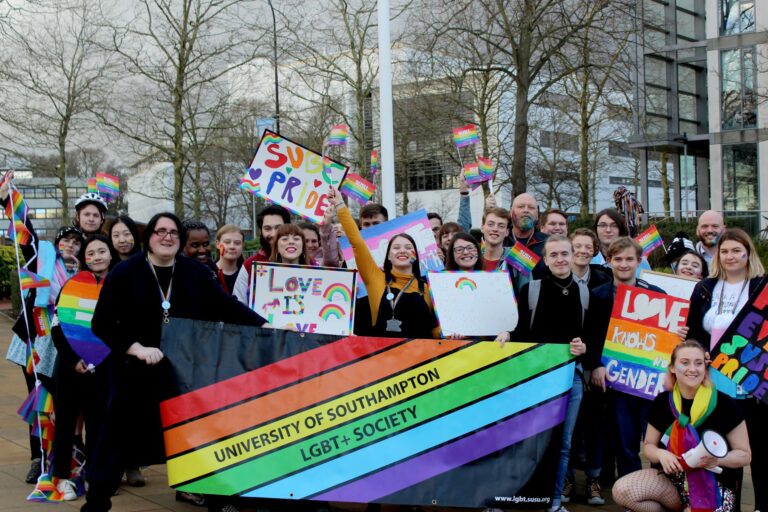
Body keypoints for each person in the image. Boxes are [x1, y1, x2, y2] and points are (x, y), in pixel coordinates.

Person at [81, 213, 268, 512]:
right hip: (134, 372)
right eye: (160, 231)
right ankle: (96, 503)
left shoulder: (194, 272)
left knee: (200, 438)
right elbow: (101, 323)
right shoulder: (125, 273)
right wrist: (135, 348)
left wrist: (265, 325)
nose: (167, 237)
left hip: (182, 372)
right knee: (116, 438)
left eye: (173, 232)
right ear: (149, 238)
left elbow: (226, 307)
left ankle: (218, 502)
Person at [495, 235, 588, 512]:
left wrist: (584, 347)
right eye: (554, 255)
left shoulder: (585, 293)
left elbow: (591, 337)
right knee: (522, 440)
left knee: (562, 444)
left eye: (564, 254)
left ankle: (554, 503)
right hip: (534, 377)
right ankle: (509, 499)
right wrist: (508, 334)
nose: (560, 259)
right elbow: (522, 331)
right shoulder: (531, 291)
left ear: (573, 256)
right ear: (545, 260)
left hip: (570, 377)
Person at [1, 172, 84, 484]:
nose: (70, 245)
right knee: (37, 396)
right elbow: (27, 236)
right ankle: (37, 458)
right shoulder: (43, 258)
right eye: (66, 240)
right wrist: (8, 200)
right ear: (58, 242)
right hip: (37, 336)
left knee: (64, 402)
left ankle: (64, 457)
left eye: (76, 242)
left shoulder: (84, 271)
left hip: (65, 341)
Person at [612, 340, 751, 512]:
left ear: (705, 368)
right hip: (673, 482)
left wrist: (717, 460)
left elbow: (745, 455)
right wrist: (660, 454)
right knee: (622, 491)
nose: (692, 369)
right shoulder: (662, 401)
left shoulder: (725, 404)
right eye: (685, 362)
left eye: (698, 363)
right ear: (672, 367)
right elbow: (648, 446)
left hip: (714, 484)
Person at [685, 227, 767, 512]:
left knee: (759, 453)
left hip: (755, 385)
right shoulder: (705, 288)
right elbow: (694, 333)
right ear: (717, 255)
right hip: (716, 388)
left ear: (748, 253)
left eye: (736, 250)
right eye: (724, 251)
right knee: (723, 453)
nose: (730, 256)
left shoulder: (763, 286)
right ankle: (726, 508)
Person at [584, 237, 666, 495]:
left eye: (629, 259)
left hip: (650, 383)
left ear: (639, 261)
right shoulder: (597, 296)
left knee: (657, 439)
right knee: (625, 441)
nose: (623, 264)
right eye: (617, 259)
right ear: (608, 262)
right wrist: (595, 365)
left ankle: (662, 489)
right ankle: (633, 493)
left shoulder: (656, 295)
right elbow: (591, 335)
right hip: (617, 382)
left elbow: (665, 338)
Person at [50, 235, 119, 500]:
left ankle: (93, 476)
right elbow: (58, 328)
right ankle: (63, 478)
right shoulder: (72, 284)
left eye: (102, 251)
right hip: (70, 368)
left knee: (97, 424)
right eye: (91, 253)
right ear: (85, 258)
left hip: (102, 369)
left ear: (110, 254)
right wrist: (72, 359)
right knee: (66, 423)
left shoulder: (117, 285)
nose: (98, 256)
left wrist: (99, 359)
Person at [329, 188, 439, 338]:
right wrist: (340, 206)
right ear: (388, 256)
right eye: (396, 247)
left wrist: (453, 334)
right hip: (383, 358)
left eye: (408, 247)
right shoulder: (376, 279)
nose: (402, 251)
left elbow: (433, 331)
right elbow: (357, 243)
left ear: (416, 255)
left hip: (421, 359)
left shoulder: (427, 288)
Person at [233, 205, 291, 305]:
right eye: (267, 229)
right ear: (261, 231)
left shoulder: (305, 262)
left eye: (279, 228)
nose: (273, 234)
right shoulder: (250, 265)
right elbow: (239, 304)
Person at [592, 208, 651, 276]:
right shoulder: (588, 259)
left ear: (621, 229)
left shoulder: (639, 259)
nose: (608, 230)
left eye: (614, 225)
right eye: (603, 225)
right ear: (596, 229)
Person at [214, 224, 244, 295]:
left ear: (242, 245)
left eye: (237, 243)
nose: (232, 246)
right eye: (227, 242)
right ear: (218, 244)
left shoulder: (247, 273)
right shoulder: (208, 272)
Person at [480, 207, 512, 271]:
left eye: (501, 226)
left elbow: (528, 281)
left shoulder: (518, 257)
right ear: (482, 228)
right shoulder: (471, 256)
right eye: (490, 224)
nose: (495, 229)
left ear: (507, 232)